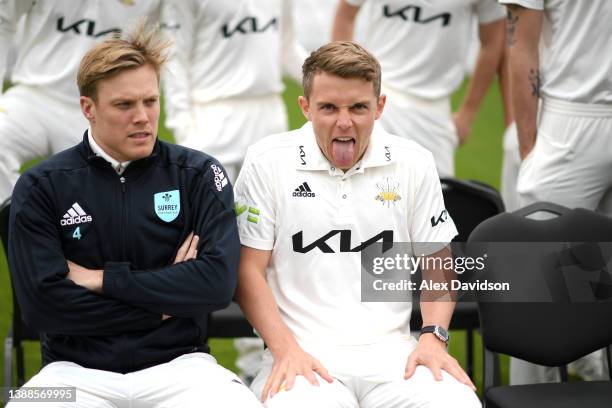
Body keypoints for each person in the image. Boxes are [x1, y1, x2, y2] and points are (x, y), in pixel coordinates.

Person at [7, 23, 261, 407]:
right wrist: (163, 305)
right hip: (71, 371)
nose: (142, 117)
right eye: (125, 105)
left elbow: (214, 285)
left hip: (183, 366)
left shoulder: (198, 176)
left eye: (150, 101)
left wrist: (102, 280)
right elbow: (44, 308)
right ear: (88, 108)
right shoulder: (42, 186)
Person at [233, 41, 481, 408]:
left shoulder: (414, 161)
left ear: (379, 107)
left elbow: (437, 261)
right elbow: (247, 270)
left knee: (458, 404)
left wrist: (433, 337)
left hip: (395, 352)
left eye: (359, 107)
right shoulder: (266, 161)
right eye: (329, 107)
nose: (344, 122)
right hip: (302, 353)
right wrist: (285, 350)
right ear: (305, 107)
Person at [501, 0, 612, 384]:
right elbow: (521, 44)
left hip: (572, 121)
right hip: (570, 118)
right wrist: (529, 147)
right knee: (538, 284)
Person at [0, 0, 162, 205]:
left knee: (121, 203)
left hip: (106, 110)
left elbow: (179, 37)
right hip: (34, 96)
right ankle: (22, 221)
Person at [332, 0, 505, 177]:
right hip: (376, 98)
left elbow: (492, 41)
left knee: (439, 198)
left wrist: (468, 114)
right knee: (362, 191)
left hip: (434, 112)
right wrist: (347, 89)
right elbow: (346, 15)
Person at [161, 0, 306, 183]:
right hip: (211, 119)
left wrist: (330, 81)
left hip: (269, 117)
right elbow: (174, 59)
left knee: (273, 210)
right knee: (212, 210)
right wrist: (182, 128)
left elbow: (288, 49)